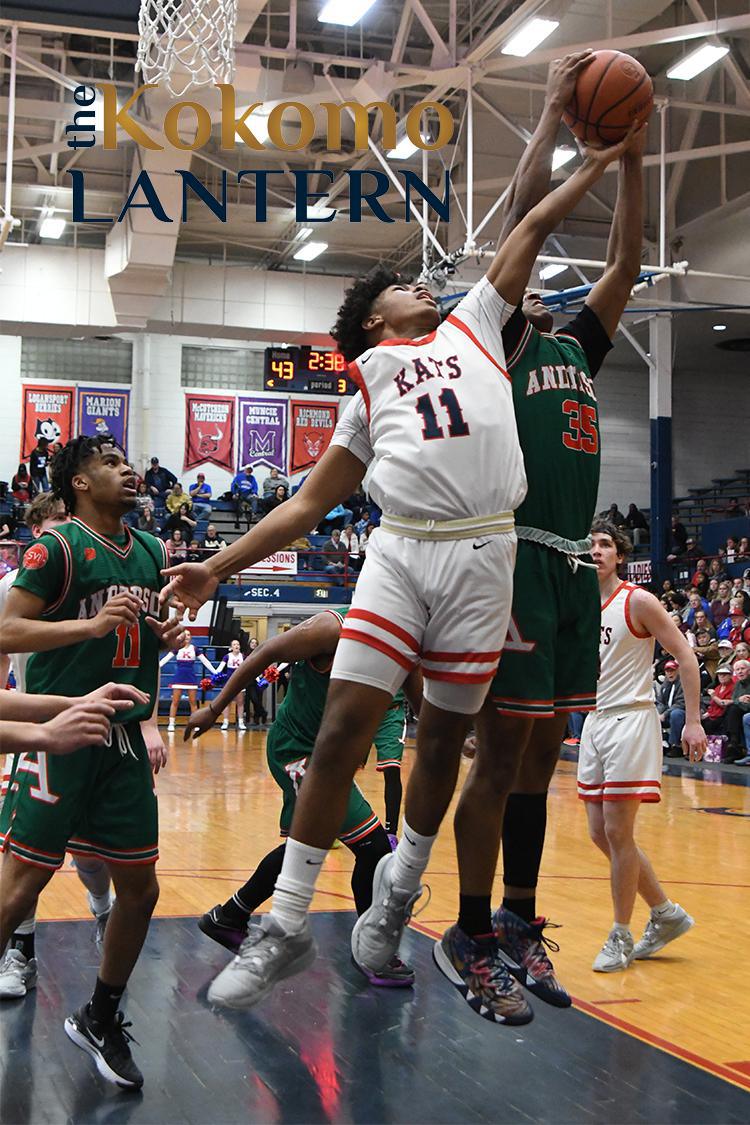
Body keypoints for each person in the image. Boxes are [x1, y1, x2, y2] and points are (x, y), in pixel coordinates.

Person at [161, 110, 642, 1017]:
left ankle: (390, 911)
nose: (429, 289)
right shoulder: (370, 381)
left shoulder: (476, 327)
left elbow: (529, 227)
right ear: (376, 319)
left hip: (486, 555)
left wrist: (597, 157)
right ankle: (287, 923)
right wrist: (215, 567)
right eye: (408, 289)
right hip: (401, 551)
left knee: (443, 747)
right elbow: (307, 504)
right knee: (344, 727)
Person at [443, 56, 646, 1016]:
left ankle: (519, 921)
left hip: (571, 564)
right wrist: (565, 136)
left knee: (541, 753)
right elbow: (527, 214)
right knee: (502, 748)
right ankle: (471, 927)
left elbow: (626, 266)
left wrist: (635, 157)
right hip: (517, 553)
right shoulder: (505, 336)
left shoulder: (577, 345)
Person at [0, 433, 182, 1089]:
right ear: (79, 482)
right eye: (109, 462)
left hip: (124, 738)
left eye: (126, 460)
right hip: (61, 729)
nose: (128, 469)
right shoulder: (57, 547)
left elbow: (144, 635)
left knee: (142, 888)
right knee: (21, 884)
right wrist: (88, 627)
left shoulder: (155, 552)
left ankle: (101, 1015)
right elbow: (7, 630)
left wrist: (166, 632)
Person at [185, 609, 421, 997]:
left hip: (329, 756)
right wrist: (214, 707)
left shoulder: (403, 643)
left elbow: (423, 708)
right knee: (373, 847)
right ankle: (371, 952)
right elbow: (262, 655)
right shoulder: (332, 628)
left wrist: (466, 737)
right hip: (296, 750)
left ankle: (230, 915)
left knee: (309, 845)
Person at [0, 494, 115, 999]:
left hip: (90, 721)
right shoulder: (14, 589)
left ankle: (103, 908)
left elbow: (135, 658)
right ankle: (20, 949)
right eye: (54, 527)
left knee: (91, 852)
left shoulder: (111, 574)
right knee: (19, 855)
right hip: (35, 726)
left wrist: (151, 725)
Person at [578, 522, 704, 972]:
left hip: (631, 716)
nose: (597, 551)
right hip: (594, 720)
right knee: (600, 833)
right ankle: (666, 913)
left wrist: (692, 720)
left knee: (616, 831)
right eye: (591, 544)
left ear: (620, 555)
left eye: (606, 545)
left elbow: (685, 655)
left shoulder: (638, 600)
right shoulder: (580, 605)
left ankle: (620, 934)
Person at [166, 631, 199, 733]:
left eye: (189, 635)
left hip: (190, 677)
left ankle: (195, 723)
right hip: (179, 677)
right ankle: (171, 723)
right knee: (175, 701)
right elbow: (166, 658)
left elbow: (205, 661)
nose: (186, 637)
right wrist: (156, 666)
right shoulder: (177, 648)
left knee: (193, 702)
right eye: (185, 635)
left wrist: (215, 672)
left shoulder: (194, 649)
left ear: (191, 637)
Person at [656, 661, 686, 757]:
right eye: (667, 671)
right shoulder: (665, 684)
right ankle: (660, 743)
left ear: (678, 671)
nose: (670, 673)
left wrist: (665, 714)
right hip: (668, 712)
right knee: (652, 714)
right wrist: (658, 713)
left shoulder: (683, 683)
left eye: (672, 670)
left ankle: (676, 745)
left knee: (676, 714)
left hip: (684, 712)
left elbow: (681, 703)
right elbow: (660, 702)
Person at [724, 658, 750, 762]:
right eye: (737, 669)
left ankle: (734, 743)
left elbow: (747, 704)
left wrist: (736, 701)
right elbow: (735, 700)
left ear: (749, 670)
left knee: (734, 710)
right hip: (740, 711)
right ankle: (734, 746)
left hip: (746, 711)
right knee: (730, 710)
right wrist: (739, 700)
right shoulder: (738, 684)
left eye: (742, 669)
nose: (740, 671)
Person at [217, 639, 247, 732]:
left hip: (240, 681)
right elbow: (220, 668)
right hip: (229, 681)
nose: (236, 646)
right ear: (231, 647)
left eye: (238, 644)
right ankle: (225, 722)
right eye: (234, 644)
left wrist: (258, 679)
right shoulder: (227, 656)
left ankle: (241, 722)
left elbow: (249, 667)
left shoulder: (243, 656)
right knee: (227, 702)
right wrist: (214, 675)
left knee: (240, 702)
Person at [702, 664, 735, 738]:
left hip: (722, 717)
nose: (722, 676)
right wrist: (704, 715)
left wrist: (714, 696)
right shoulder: (717, 688)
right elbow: (712, 707)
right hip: (712, 716)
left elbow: (724, 704)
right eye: (720, 674)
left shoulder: (733, 687)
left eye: (725, 674)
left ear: (730, 675)